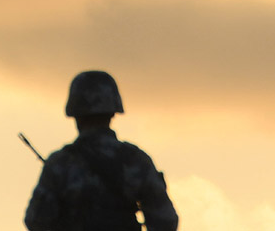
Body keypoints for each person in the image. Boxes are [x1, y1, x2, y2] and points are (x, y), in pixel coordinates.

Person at [25, 70, 179, 231]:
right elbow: (166, 221)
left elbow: (35, 220)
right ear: (113, 112)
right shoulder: (135, 161)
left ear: (75, 113)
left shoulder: (60, 164)